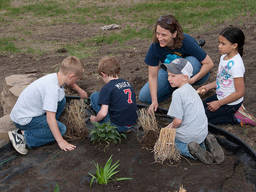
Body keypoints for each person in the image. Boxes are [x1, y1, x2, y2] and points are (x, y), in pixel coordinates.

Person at [8, 56, 88, 155]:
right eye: (77, 79)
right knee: (61, 129)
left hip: (27, 112)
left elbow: (70, 82)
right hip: (24, 120)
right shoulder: (52, 90)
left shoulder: (57, 77)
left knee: (61, 100)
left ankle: (46, 128)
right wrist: (61, 141)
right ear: (71, 76)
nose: (76, 82)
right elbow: (50, 118)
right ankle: (23, 136)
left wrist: (80, 90)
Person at [139, 14, 214, 114]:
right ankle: (174, 87)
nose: (159, 38)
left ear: (174, 34)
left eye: (164, 35)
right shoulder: (155, 46)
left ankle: (182, 90)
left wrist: (192, 80)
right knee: (144, 97)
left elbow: (209, 63)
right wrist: (154, 100)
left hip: (194, 73)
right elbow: (152, 76)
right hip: (171, 72)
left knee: (192, 60)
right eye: (158, 34)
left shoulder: (186, 41)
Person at [162, 58, 224, 164]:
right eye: (168, 75)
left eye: (173, 76)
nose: (169, 79)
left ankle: (193, 152)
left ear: (185, 77)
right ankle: (206, 143)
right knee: (192, 133)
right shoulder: (192, 90)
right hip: (202, 131)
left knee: (171, 143)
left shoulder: (177, 94)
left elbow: (177, 122)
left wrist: (167, 130)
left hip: (189, 136)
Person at [197, 26, 256, 126]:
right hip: (220, 97)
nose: (219, 46)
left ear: (234, 45)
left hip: (230, 103)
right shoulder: (224, 57)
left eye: (223, 44)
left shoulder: (236, 65)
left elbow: (240, 92)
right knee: (197, 111)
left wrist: (219, 103)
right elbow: (222, 80)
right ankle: (233, 111)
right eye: (219, 43)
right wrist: (207, 87)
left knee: (202, 122)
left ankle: (236, 117)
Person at [89, 56, 138, 133]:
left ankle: (103, 125)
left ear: (103, 74)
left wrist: (95, 119)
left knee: (94, 96)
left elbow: (103, 113)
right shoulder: (127, 83)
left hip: (118, 126)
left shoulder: (107, 88)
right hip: (132, 123)